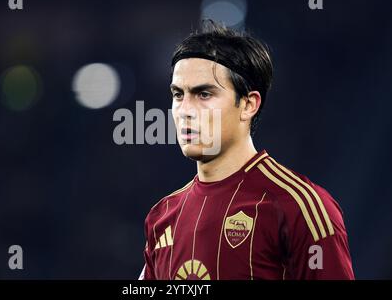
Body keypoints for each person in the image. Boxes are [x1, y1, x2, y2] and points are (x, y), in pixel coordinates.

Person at [139, 20, 354, 280]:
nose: (185, 110)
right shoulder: (162, 217)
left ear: (249, 104)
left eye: (204, 94)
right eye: (178, 95)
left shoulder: (299, 207)